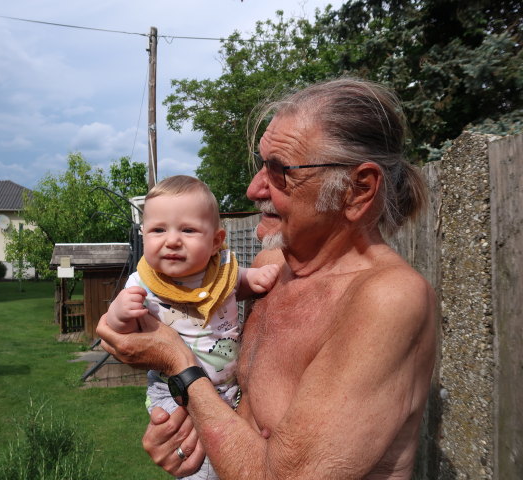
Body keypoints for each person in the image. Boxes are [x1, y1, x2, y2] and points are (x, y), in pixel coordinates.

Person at [97, 77, 437, 479]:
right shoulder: (270, 268)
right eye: (262, 165)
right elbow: (228, 383)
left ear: (357, 189)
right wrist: (187, 430)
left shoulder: (388, 299)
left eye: (280, 171)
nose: (253, 188)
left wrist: (179, 367)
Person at [107, 175, 280, 479]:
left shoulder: (224, 272)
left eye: (187, 230)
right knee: (198, 459)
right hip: (173, 392)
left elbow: (239, 283)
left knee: (231, 447)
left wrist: (255, 279)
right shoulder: (144, 283)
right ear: (143, 234)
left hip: (227, 388)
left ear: (215, 241)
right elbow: (113, 327)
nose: (172, 240)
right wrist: (120, 313)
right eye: (158, 230)